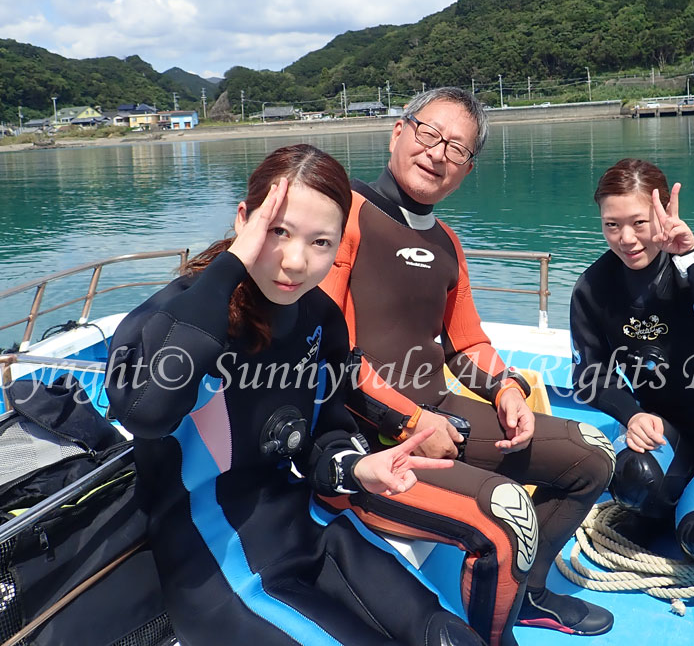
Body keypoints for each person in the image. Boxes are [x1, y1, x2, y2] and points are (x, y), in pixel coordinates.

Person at [105, 144, 485, 646]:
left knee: (447, 635)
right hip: (214, 559)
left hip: (304, 524)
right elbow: (145, 410)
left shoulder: (319, 320)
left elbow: (323, 435)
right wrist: (233, 265)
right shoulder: (183, 313)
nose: (296, 262)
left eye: (321, 242)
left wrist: (358, 468)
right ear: (245, 220)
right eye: (277, 231)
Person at [320, 88, 616, 646]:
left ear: (468, 168)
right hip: (366, 442)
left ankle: (525, 596)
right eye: (429, 134)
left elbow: (465, 343)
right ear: (398, 133)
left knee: (593, 456)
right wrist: (412, 424)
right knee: (508, 514)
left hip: (439, 416)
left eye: (457, 148)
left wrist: (506, 390)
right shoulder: (345, 216)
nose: (438, 153)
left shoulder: (447, 243)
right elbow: (331, 355)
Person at [569, 158, 694, 565]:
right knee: (631, 480)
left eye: (639, 223)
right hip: (665, 427)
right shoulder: (594, 287)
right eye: (612, 225)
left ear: (663, 211)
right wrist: (630, 415)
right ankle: (673, 502)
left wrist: (690, 257)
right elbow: (589, 375)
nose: (626, 239)